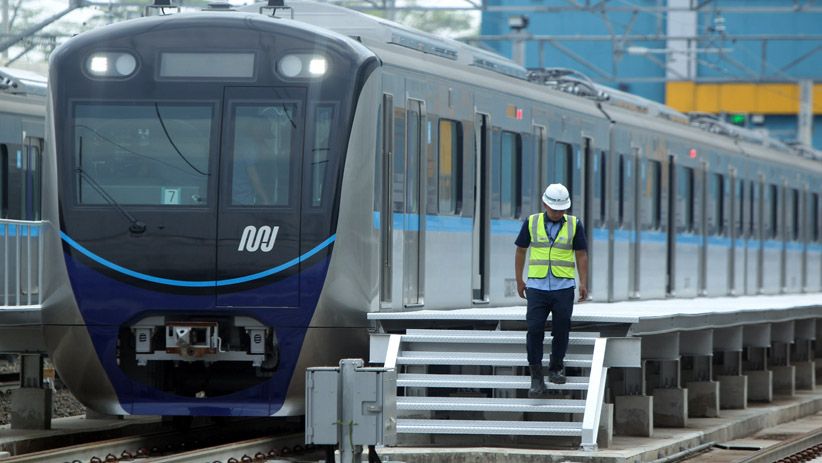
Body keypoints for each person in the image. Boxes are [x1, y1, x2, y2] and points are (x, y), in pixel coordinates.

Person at [514, 183, 588, 398]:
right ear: (545, 204)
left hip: (563, 286)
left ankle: (556, 367)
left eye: (562, 209)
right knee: (535, 329)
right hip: (536, 286)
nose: (558, 213)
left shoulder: (574, 224)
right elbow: (520, 251)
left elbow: (581, 254)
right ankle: (536, 377)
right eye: (555, 209)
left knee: (562, 328)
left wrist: (583, 282)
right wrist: (519, 280)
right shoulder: (532, 222)